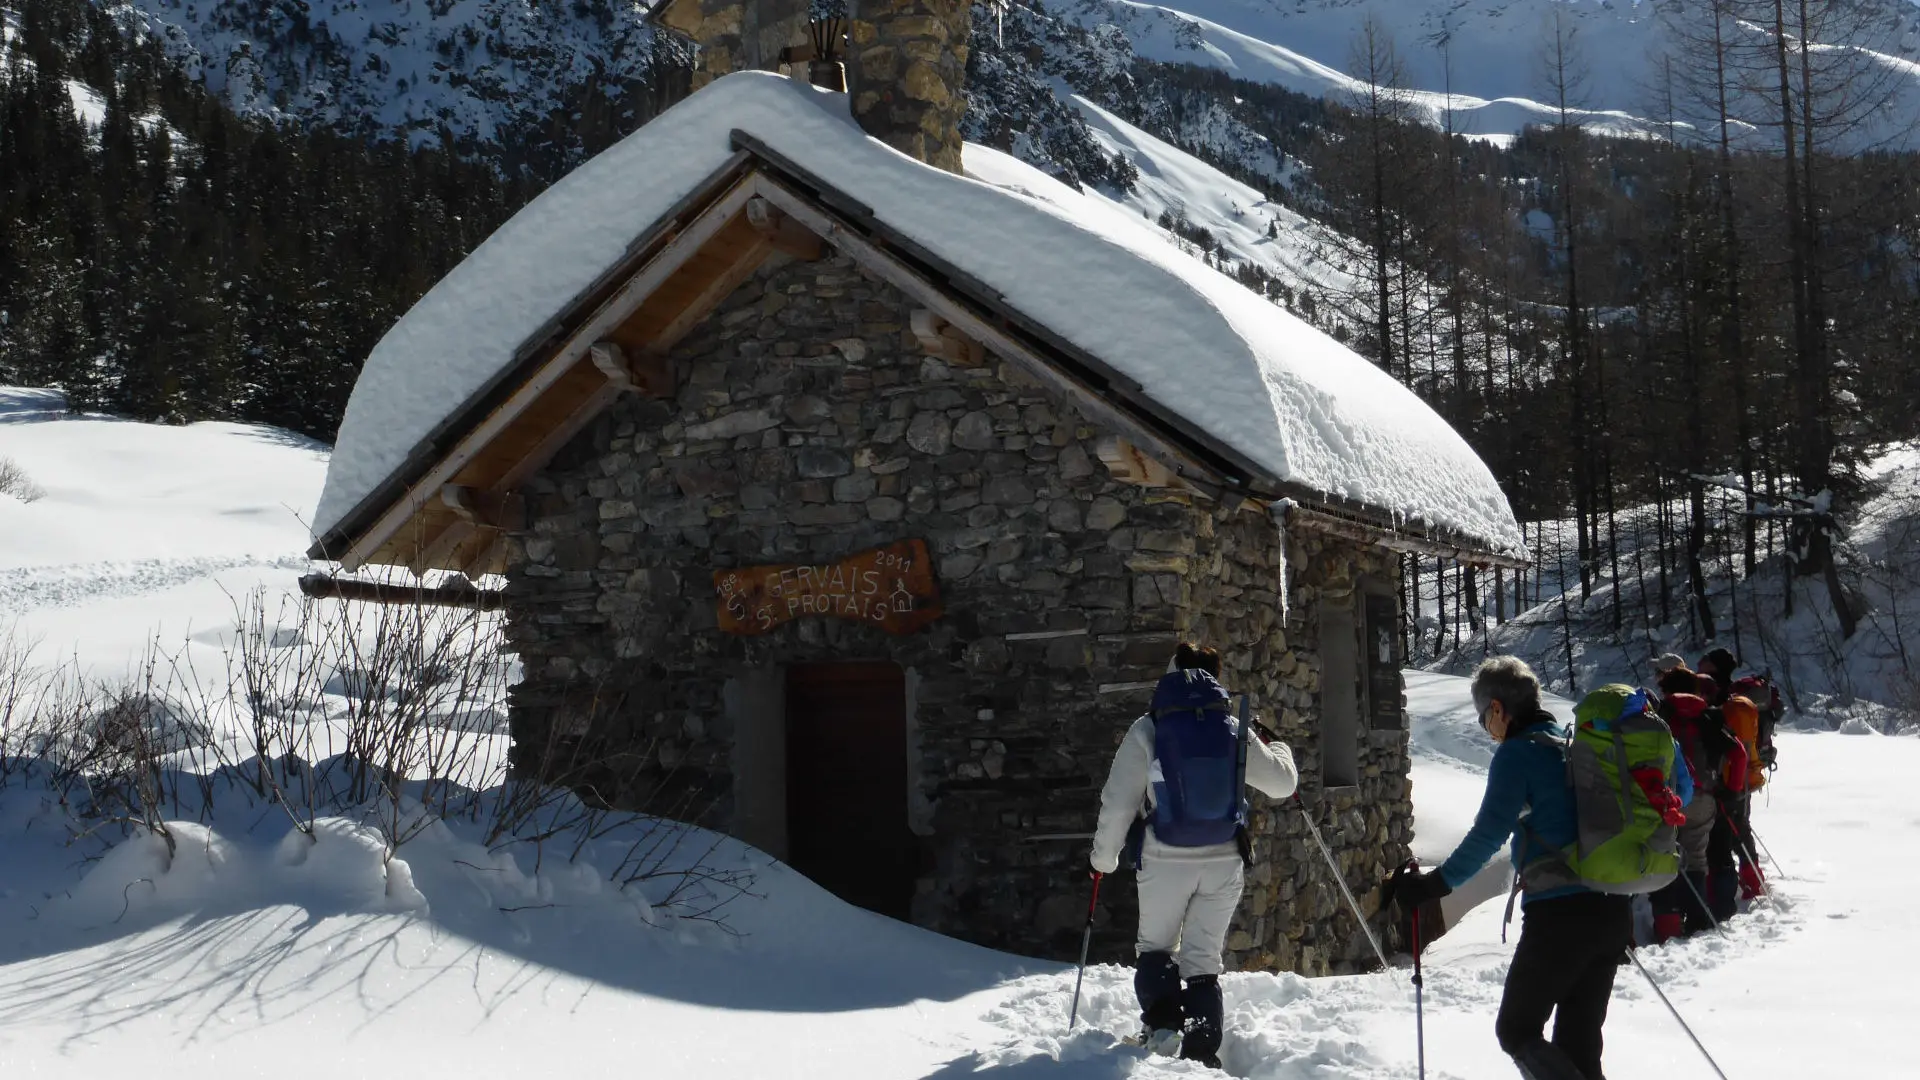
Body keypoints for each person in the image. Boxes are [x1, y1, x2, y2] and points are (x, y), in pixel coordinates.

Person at [1385, 656, 1692, 1080]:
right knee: (1580, 1048)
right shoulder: (1576, 745)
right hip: (1611, 910)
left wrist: (1435, 884)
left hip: (1559, 917)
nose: (1485, 728)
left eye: (1483, 717)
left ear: (1497, 708)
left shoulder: (1519, 755)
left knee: (1516, 1030)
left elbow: (1488, 834)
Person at [1090, 643, 1298, 1069]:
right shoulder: (1231, 726)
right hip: (1224, 856)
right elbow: (1281, 784)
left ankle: (1164, 1029)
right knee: (1203, 958)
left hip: (1164, 856)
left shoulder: (1148, 728)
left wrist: (1103, 860)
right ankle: (1201, 1050)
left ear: (1170, 673)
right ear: (1216, 677)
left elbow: (1117, 803)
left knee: (1156, 947)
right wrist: (1281, 749)